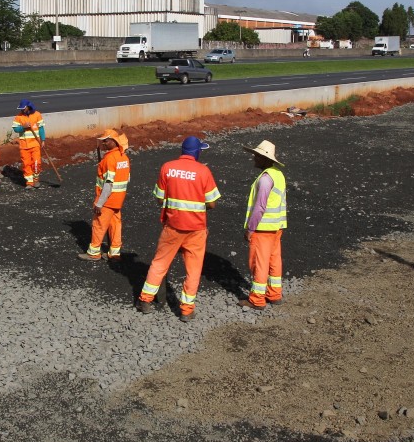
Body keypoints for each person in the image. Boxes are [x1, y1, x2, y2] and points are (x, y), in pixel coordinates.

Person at [136, 136, 220, 322]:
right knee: (193, 269)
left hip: (172, 226)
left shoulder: (167, 167)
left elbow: (159, 198)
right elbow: (212, 203)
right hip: (196, 229)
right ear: (197, 152)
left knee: (159, 263)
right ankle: (186, 311)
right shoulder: (203, 171)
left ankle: (145, 301)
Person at [240, 139, 287, 310]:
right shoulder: (278, 175)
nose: (254, 159)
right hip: (277, 227)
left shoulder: (265, 179)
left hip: (263, 228)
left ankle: (257, 299)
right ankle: (274, 294)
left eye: (257, 156)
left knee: (259, 263)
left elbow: (260, 207)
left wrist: (250, 228)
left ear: (265, 159)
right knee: (274, 260)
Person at [77, 129, 130, 262]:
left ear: (114, 141)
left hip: (107, 200)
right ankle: (114, 253)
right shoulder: (123, 157)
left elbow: (108, 184)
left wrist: (99, 203)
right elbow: (127, 178)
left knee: (99, 225)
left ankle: (94, 252)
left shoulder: (110, 159)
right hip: (118, 199)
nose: (103, 143)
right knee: (115, 225)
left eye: (106, 141)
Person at [12, 99, 44, 188]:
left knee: (37, 162)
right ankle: (29, 182)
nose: (22, 110)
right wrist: (23, 127)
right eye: (21, 108)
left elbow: (41, 128)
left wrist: (43, 140)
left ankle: (36, 179)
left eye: (23, 108)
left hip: (35, 144)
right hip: (24, 145)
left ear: (28, 106)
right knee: (26, 164)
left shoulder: (37, 115)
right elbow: (15, 129)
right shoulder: (18, 117)